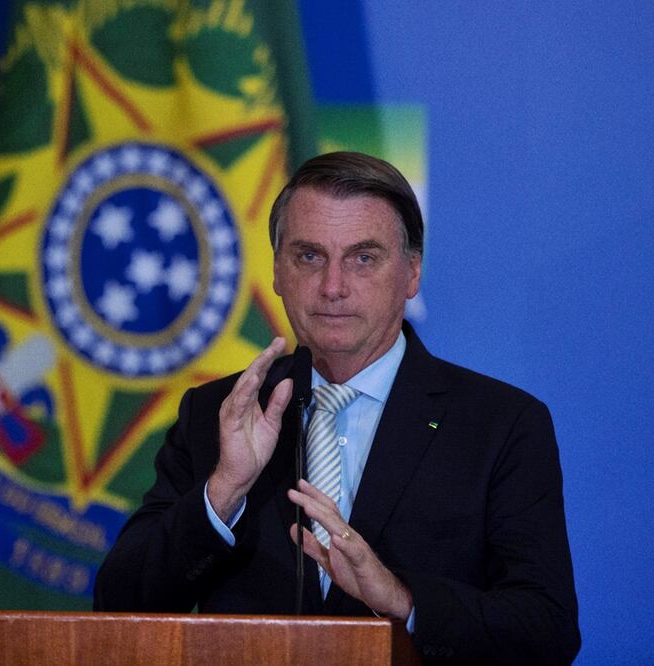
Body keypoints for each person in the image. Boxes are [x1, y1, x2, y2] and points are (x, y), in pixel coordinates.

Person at [93, 152, 580, 664]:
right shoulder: (216, 413)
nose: (332, 287)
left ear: (412, 272)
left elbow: (545, 631)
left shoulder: (499, 424)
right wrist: (224, 491)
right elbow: (120, 604)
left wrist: (401, 601)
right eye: (309, 256)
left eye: (363, 258)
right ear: (278, 270)